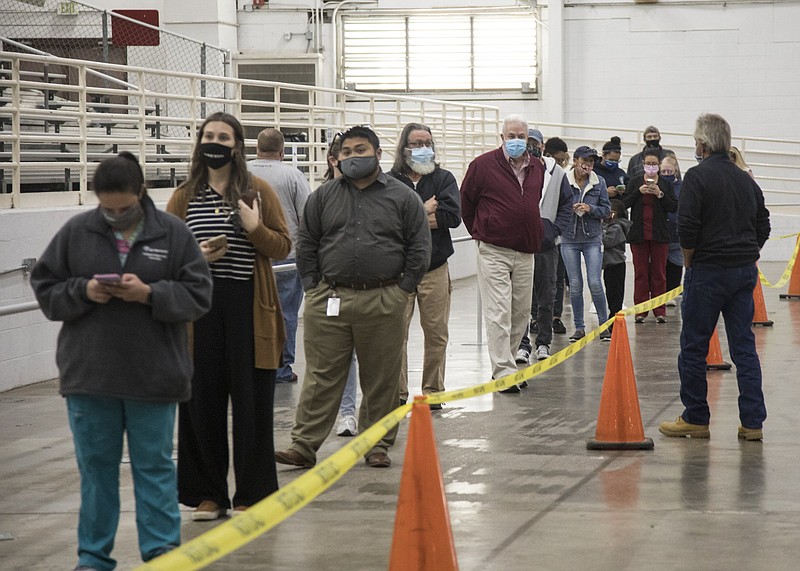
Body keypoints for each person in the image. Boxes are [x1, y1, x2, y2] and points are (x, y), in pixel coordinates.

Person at [30, 152, 213, 571]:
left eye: (124, 208)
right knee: (96, 472)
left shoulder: (173, 234)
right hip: (90, 377)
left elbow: (200, 295)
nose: (115, 216)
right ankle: (93, 558)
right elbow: (46, 289)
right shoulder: (77, 232)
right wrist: (83, 290)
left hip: (155, 376)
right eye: (106, 208)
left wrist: (149, 294)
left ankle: (162, 554)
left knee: (155, 469)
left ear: (141, 194)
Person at [275, 125, 431, 469]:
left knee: (381, 377)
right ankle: (304, 446)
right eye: (346, 152)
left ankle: (376, 444)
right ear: (338, 158)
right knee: (321, 376)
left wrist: (401, 291)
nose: (352, 157)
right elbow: (307, 244)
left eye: (360, 150)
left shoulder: (403, 198)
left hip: (383, 299)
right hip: (328, 299)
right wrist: (313, 287)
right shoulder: (323, 196)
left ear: (376, 153)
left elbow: (419, 248)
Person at [167, 112, 291, 520]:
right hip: (199, 311)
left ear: (237, 146)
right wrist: (195, 257)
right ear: (199, 142)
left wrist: (254, 227)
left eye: (224, 136)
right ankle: (208, 494)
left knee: (253, 402)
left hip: (248, 308)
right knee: (201, 403)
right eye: (209, 135)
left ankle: (252, 493)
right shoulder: (185, 195)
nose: (215, 142)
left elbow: (283, 248)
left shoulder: (259, 190)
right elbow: (164, 255)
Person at [659, 113, 770, 440]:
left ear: (703, 143)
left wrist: (690, 263)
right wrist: (749, 252)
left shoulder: (697, 176)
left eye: (696, 140)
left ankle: (696, 417)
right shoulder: (745, 179)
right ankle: (752, 423)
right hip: (743, 272)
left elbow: (687, 227)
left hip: (707, 272)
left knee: (693, 347)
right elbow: (763, 224)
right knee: (744, 348)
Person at [461, 114, 545, 393]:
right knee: (498, 311)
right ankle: (504, 372)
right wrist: (481, 231)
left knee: (520, 312)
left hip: (526, 250)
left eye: (521, 137)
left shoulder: (537, 167)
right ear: (502, 138)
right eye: (511, 136)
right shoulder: (482, 166)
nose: (517, 141)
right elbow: (467, 203)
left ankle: (506, 361)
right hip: (494, 248)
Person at [389, 123, 461, 408]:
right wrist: (425, 208)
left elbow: (451, 217)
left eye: (427, 143)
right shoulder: (390, 181)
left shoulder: (443, 179)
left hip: (435, 267)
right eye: (417, 143)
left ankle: (433, 392)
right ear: (404, 148)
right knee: (395, 334)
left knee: (436, 333)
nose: (423, 149)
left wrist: (413, 215)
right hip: (398, 271)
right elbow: (388, 221)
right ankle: (396, 393)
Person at [247, 127, 311, 384]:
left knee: (250, 312)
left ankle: (252, 364)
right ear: (282, 151)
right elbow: (307, 216)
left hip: (250, 256)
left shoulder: (241, 173)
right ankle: (281, 369)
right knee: (286, 312)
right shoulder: (293, 175)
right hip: (287, 255)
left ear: (256, 149)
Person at [516, 137, 573, 363]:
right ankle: (522, 344)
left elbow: (566, 204)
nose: (529, 147)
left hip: (546, 245)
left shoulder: (556, 172)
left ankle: (543, 342)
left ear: (542, 146)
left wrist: (554, 229)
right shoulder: (513, 170)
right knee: (520, 298)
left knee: (546, 296)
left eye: (534, 143)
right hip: (519, 244)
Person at [560, 146, 612, 342]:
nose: (588, 165)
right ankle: (579, 327)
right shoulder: (564, 181)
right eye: (585, 160)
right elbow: (557, 205)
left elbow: (607, 210)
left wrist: (590, 208)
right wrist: (568, 209)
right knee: (574, 285)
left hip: (592, 238)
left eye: (591, 162)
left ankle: (604, 325)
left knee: (595, 282)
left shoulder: (599, 183)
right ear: (575, 160)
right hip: (569, 239)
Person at [622, 148, 678, 323]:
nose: (651, 167)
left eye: (654, 164)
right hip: (639, 234)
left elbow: (673, 206)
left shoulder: (666, 184)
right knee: (641, 273)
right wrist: (639, 191)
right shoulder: (635, 182)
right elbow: (624, 203)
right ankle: (641, 310)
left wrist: (659, 194)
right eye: (648, 164)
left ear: (659, 165)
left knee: (659, 273)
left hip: (660, 235)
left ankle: (659, 310)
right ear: (643, 165)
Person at [544, 136, 570, 336]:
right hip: (540, 240)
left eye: (564, 160)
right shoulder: (537, 174)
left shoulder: (561, 175)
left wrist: (555, 230)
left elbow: (565, 206)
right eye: (559, 159)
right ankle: (538, 318)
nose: (562, 163)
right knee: (542, 281)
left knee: (558, 279)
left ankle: (556, 317)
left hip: (557, 237)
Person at [602, 199, 632, 320]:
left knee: (616, 293)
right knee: (610, 292)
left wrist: (599, 230)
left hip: (616, 264)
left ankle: (615, 318)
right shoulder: (608, 225)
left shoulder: (618, 227)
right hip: (609, 264)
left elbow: (607, 241)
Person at [661, 156, 684, 296]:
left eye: (669, 171)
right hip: (661, 233)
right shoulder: (657, 184)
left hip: (677, 234)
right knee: (659, 267)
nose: (666, 174)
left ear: (675, 170)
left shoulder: (683, 186)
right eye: (663, 171)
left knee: (675, 266)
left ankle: (673, 293)